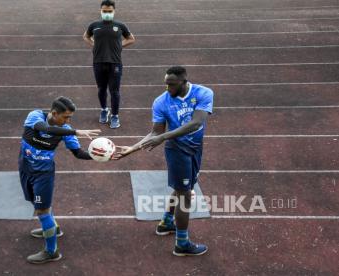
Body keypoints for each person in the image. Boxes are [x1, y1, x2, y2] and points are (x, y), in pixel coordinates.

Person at [115, 66, 213, 256]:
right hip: (177, 151)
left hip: (195, 148)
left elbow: (196, 123)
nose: (168, 88)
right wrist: (131, 149)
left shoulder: (203, 93)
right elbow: (156, 132)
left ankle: (166, 223)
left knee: (181, 188)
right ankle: (182, 244)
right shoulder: (161, 102)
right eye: (166, 84)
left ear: (184, 82)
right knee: (184, 194)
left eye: (172, 84)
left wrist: (163, 137)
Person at [18, 96, 100, 264]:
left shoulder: (66, 130)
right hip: (26, 169)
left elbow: (78, 153)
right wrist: (75, 131)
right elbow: (45, 129)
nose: (68, 121)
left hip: (43, 175)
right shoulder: (35, 116)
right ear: (54, 113)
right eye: (66, 117)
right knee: (36, 204)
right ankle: (52, 227)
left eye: (70, 117)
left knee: (42, 211)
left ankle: (51, 251)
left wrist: (99, 156)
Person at [83, 0, 135, 129]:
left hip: (115, 62)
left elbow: (131, 39)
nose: (107, 13)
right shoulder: (94, 25)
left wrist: (119, 46)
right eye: (104, 11)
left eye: (109, 11)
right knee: (101, 89)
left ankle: (115, 116)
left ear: (114, 11)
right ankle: (104, 110)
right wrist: (93, 44)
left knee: (115, 91)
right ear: (100, 11)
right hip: (98, 62)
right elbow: (85, 36)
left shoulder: (120, 25)